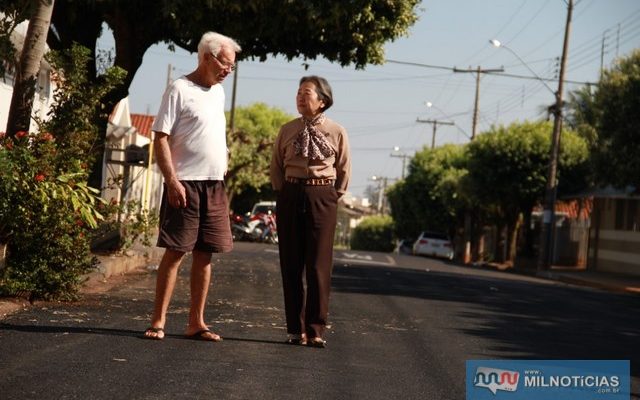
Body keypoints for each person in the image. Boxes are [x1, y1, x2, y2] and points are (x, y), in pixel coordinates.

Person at [143, 32, 241, 341]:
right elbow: (160, 136)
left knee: (205, 254)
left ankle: (196, 323)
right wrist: (171, 180)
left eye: (232, 67)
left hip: (214, 184)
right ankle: (158, 322)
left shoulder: (219, 93)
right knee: (176, 252)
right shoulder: (179, 89)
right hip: (184, 183)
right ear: (207, 58)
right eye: (226, 64)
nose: (228, 71)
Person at [270, 75, 351, 348]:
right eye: (298, 93)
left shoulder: (337, 131)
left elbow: (343, 170)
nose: (300, 98)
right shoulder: (287, 129)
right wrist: (285, 193)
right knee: (291, 263)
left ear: (322, 101)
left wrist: (329, 195)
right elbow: (276, 167)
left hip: (322, 196)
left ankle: (315, 329)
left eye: (306, 93)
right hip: (290, 193)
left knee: (318, 265)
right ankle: (295, 328)